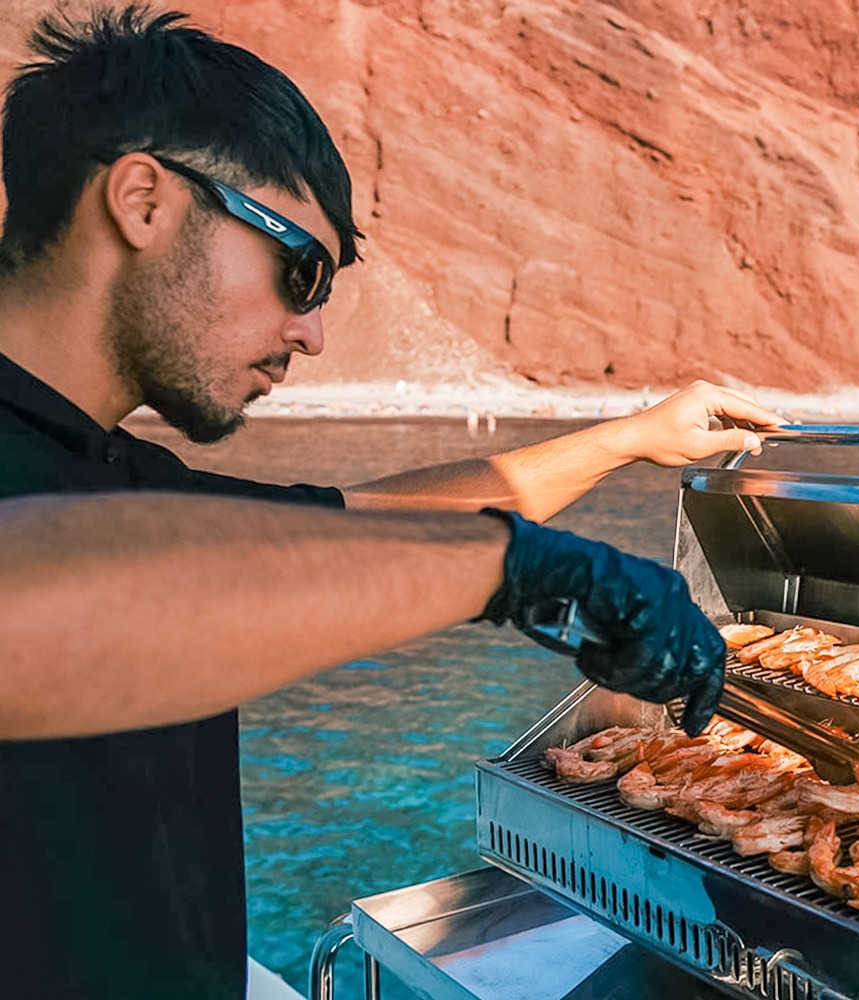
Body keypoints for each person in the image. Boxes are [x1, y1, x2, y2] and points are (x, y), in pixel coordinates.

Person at [0, 6, 782, 998]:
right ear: (144, 200)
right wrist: (520, 569)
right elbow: (35, 604)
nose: (313, 331)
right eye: (301, 269)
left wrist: (626, 440)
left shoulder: (109, 472)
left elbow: (350, 530)